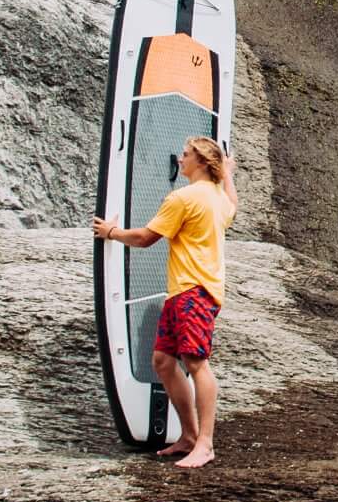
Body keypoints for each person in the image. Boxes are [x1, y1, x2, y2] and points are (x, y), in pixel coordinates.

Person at [93, 136, 234, 469]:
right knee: (163, 361)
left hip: (194, 291)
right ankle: (188, 435)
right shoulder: (216, 197)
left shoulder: (183, 198)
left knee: (196, 363)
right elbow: (233, 203)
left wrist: (111, 232)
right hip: (184, 292)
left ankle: (205, 444)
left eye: (185, 155)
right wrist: (228, 173)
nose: (180, 159)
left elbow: (145, 239)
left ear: (200, 162)